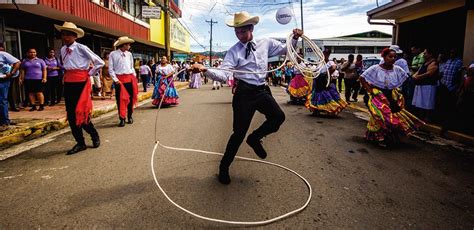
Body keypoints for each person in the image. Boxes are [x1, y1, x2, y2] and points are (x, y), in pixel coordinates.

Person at [194, 11, 303, 184]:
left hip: (261, 90)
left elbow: (285, 50)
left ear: (251, 28)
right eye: (236, 32)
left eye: (242, 31)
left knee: (278, 117)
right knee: (238, 133)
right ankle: (224, 167)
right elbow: (223, 75)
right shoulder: (233, 52)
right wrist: (205, 70)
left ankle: (254, 138)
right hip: (244, 93)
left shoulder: (265, 43)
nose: (239, 35)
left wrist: (295, 38)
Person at [55, 21, 103, 154]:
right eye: (63, 34)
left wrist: (89, 73)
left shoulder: (82, 48)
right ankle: (80, 143)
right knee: (71, 115)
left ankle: (94, 135)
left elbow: (99, 62)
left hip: (81, 82)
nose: (65, 37)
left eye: (68, 35)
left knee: (81, 112)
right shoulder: (63, 49)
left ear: (75, 36)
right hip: (69, 82)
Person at [360, 48, 424, 146]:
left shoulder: (397, 69)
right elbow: (362, 78)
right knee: (382, 116)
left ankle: (379, 137)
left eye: (394, 57)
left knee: (392, 116)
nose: (393, 59)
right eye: (390, 56)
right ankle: (380, 138)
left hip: (390, 96)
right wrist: (370, 91)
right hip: (378, 96)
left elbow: (407, 78)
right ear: (384, 57)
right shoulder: (375, 68)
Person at [306, 49, 347, 116]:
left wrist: (328, 73)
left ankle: (329, 109)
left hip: (325, 80)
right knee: (317, 94)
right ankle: (317, 109)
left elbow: (334, 68)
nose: (325, 55)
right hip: (318, 79)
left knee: (325, 93)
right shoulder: (320, 62)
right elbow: (316, 70)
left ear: (328, 55)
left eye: (326, 54)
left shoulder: (330, 62)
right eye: (324, 53)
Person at [109, 36, 138, 127]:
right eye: (128, 44)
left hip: (130, 79)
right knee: (120, 100)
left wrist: (134, 75)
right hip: (119, 81)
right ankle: (122, 118)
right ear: (123, 45)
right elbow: (111, 69)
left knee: (130, 99)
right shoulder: (113, 54)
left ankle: (129, 116)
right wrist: (116, 80)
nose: (129, 46)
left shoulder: (129, 54)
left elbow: (131, 67)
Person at [437, 49, 463, 132]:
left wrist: (457, 87)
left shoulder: (459, 62)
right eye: (450, 52)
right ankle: (442, 122)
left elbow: (459, 76)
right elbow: (444, 73)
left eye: (453, 53)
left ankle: (448, 125)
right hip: (444, 86)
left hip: (452, 87)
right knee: (443, 105)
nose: (451, 54)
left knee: (449, 107)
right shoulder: (448, 61)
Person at [412, 47, 439, 121]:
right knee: (420, 104)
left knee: (427, 104)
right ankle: (421, 118)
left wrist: (418, 77)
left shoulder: (433, 62)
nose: (423, 54)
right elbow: (419, 71)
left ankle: (427, 119)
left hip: (428, 86)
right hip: (421, 85)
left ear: (430, 54)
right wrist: (414, 76)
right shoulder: (425, 62)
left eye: (425, 53)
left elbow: (429, 73)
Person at [0, 45, 21, 131]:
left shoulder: (2, 54)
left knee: (2, 100)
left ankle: (4, 122)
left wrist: (12, 73)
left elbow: (17, 62)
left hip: (2, 80)